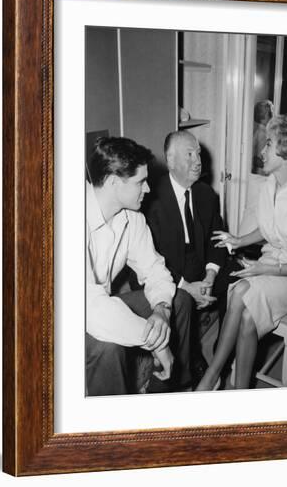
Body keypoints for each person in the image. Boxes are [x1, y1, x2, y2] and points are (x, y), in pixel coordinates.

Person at [196, 114, 287, 390]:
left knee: (240, 292)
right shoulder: (268, 187)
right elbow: (267, 230)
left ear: (285, 151)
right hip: (268, 264)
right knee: (247, 316)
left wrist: (264, 269)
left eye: (268, 144)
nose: (262, 151)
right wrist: (238, 240)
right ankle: (240, 390)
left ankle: (213, 374)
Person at [86, 136, 192, 396]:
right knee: (107, 346)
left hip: (100, 303)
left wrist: (162, 310)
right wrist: (156, 341)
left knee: (182, 301)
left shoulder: (132, 218)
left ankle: (166, 389)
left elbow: (154, 269)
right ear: (113, 182)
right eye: (140, 182)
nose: (148, 189)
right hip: (56, 319)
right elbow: (90, 307)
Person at [146, 131, 228, 383]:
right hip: (168, 267)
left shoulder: (206, 195)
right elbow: (153, 259)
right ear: (170, 161)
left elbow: (218, 239)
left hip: (199, 262)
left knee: (234, 281)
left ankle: (222, 350)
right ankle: (189, 361)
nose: (198, 161)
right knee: (180, 299)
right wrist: (186, 286)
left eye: (199, 154)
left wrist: (211, 275)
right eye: (189, 154)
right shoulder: (151, 199)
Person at [252, 100, 274, 174]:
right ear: (262, 116)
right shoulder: (262, 133)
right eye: (270, 114)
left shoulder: (262, 131)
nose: (272, 116)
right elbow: (257, 155)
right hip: (261, 171)